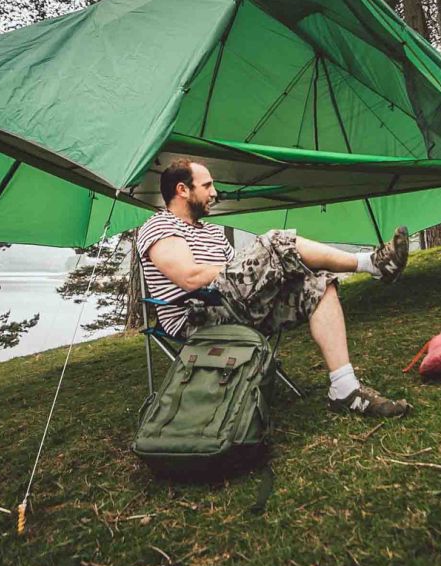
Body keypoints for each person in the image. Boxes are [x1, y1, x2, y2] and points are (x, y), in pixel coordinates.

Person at [136, 158, 411, 418]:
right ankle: (373, 264)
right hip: (196, 318)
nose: (214, 193)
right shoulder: (159, 226)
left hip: (233, 307)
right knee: (275, 241)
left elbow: (237, 275)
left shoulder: (211, 231)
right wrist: (257, 264)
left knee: (318, 284)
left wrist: (259, 270)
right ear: (182, 190)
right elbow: (190, 277)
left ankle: (345, 389)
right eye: (207, 185)